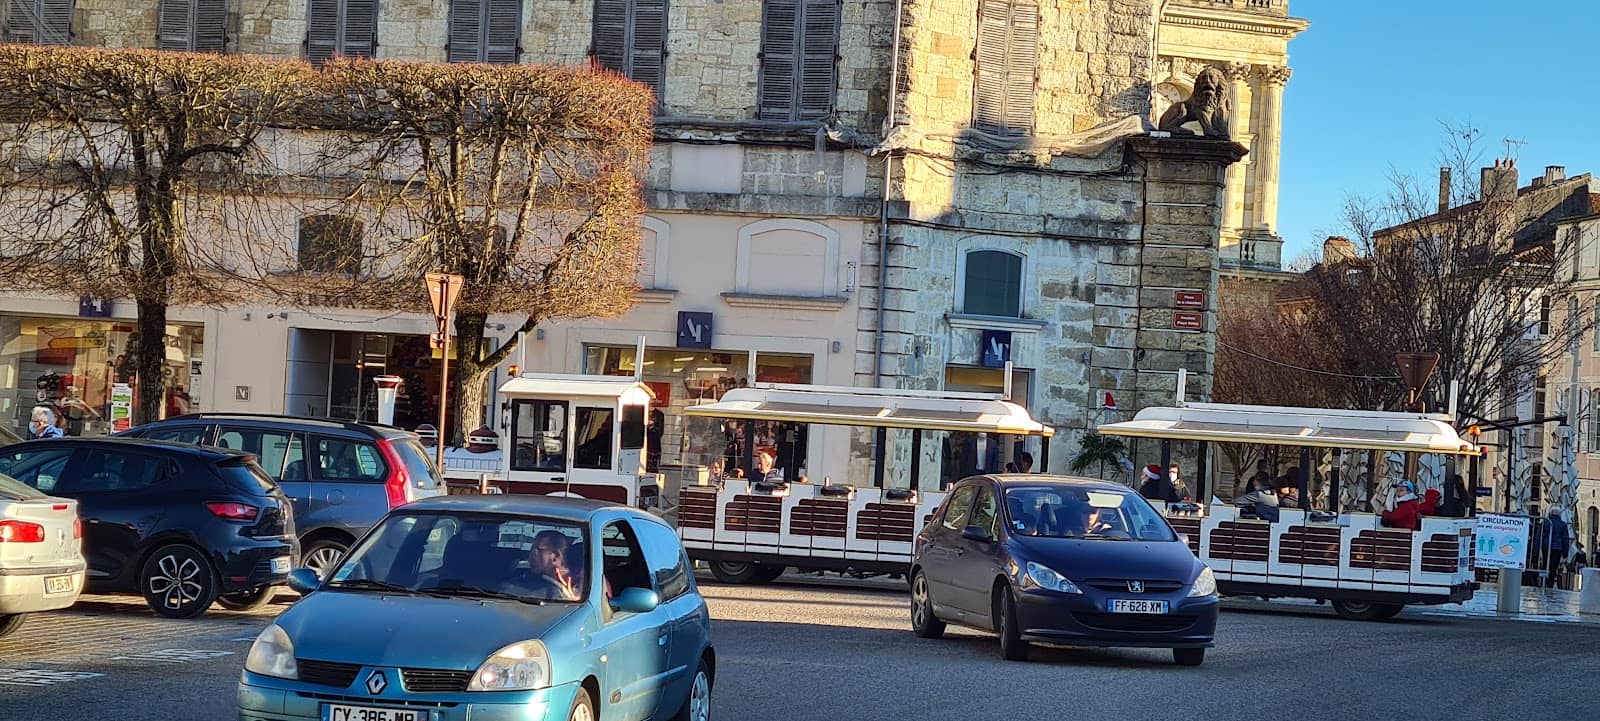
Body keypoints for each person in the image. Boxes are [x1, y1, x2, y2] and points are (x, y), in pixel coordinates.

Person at [521, 530, 579, 601]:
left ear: (555, 556)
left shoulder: (580, 585)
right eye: (532, 549)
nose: (532, 555)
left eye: (538, 550)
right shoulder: (523, 580)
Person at [1538, 508, 1571, 587]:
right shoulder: (1563, 525)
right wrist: (1565, 553)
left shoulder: (1545, 522)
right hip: (1557, 548)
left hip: (1546, 546)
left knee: (1545, 564)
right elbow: (1565, 539)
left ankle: (1544, 581)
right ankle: (1550, 583)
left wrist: (1537, 549)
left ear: (1550, 513)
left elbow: (1539, 536)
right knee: (1554, 566)